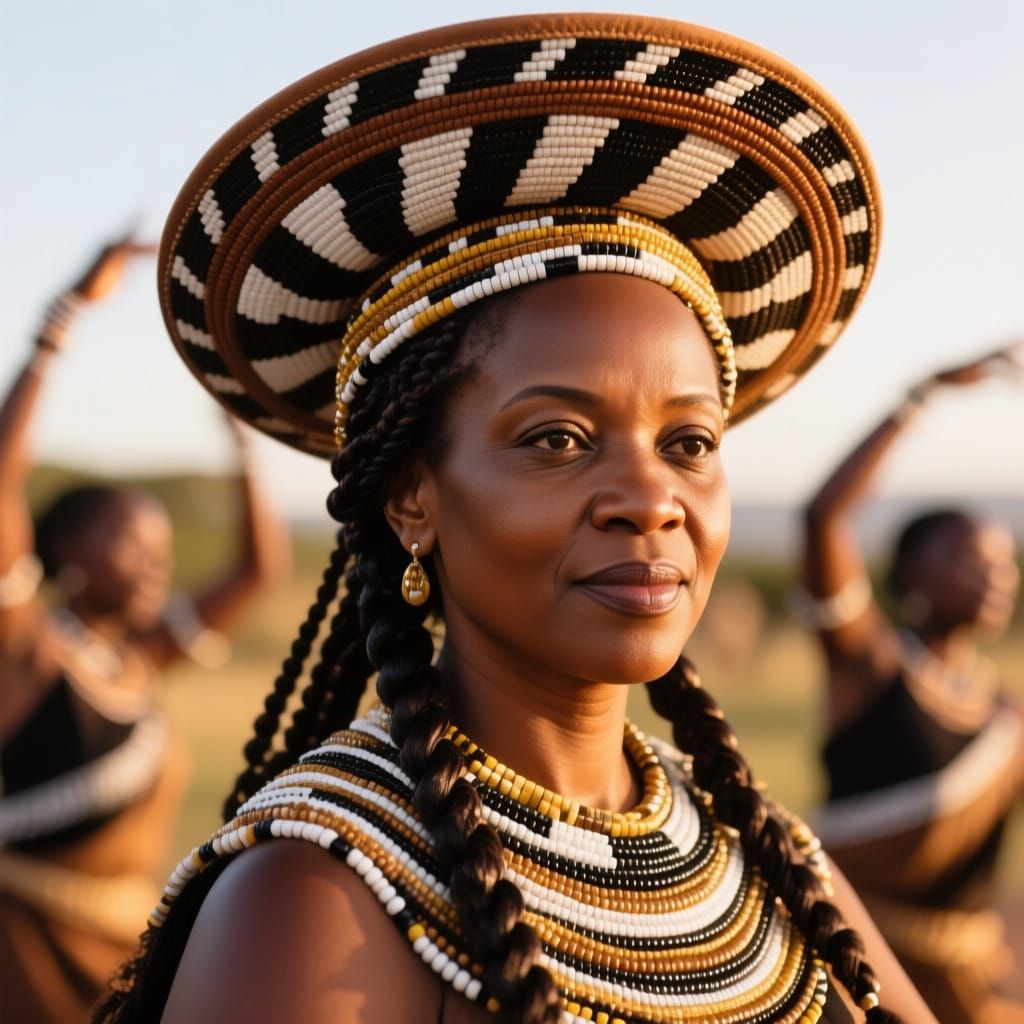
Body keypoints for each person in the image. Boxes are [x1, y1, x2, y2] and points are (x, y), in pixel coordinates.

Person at [95, 13, 939, 1023]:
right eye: (556, 439)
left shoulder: (764, 856)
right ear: (414, 495)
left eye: (689, 442)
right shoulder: (317, 898)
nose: (650, 499)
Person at [0, 235, 291, 1024]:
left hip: (122, 948)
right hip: (27, 961)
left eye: (164, 549)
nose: (156, 566)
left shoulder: (138, 657)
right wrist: (58, 324)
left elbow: (256, 573)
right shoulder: (27, 650)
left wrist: (240, 436)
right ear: (66, 552)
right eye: (132, 544)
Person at [799, 346, 1024, 1024]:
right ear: (911, 575)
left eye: (1005, 561)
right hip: (851, 963)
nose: (996, 574)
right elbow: (823, 518)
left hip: (961, 973)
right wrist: (919, 396)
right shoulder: (869, 665)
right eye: (968, 557)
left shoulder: (1003, 715)